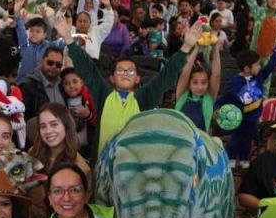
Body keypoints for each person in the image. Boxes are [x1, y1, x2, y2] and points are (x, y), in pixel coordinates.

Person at [58, 15, 205, 156]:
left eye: (130, 71)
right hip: (102, 165)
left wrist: (186, 46)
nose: (125, 73)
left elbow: (165, 76)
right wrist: (68, 39)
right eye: (120, 70)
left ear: (137, 79)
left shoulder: (144, 97)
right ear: (112, 78)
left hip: (133, 167)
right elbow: (87, 68)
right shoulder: (103, 93)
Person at [216, 46, 276, 168]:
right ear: (247, 68)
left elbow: (270, 67)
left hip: (253, 119)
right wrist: (217, 107)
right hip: (239, 118)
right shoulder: (235, 82)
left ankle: (244, 158)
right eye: (256, 65)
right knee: (236, 139)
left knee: (247, 140)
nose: (259, 67)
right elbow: (225, 97)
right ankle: (230, 157)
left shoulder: (258, 77)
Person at [29, 103, 92, 181]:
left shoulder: (80, 167)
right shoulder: (33, 152)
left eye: (54, 124)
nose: (48, 131)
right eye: (43, 126)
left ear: (66, 127)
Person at [175, 42, 222, 133]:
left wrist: (215, 48)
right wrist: (196, 48)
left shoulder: (209, 96)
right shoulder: (182, 95)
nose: (200, 87)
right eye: (195, 83)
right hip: (181, 138)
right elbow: (184, 75)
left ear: (208, 83)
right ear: (189, 84)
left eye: (204, 83)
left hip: (201, 139)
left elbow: (216, 75)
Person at [19, 47, 66, 118]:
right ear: (42, 61)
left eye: (58, 65)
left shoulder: (64, 85)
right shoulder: (27, 86)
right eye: (50, 63)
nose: (54, 67)